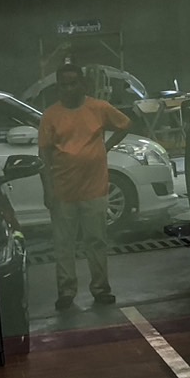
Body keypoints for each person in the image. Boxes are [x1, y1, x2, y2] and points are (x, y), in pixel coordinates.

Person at [38, 62, 130, 310]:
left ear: (83, 84)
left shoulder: (99, 108)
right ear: (58, 88)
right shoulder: (50, 115)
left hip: (94, 189)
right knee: (63, 245)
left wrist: (105, 147)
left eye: (73, 83)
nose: (68, 89)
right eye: (63, 85)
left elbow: (125, 124)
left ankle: (101, 289)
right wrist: (48, 189)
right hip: (63, 191)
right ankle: (66, 292)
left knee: (96, 242)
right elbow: (44, 155)